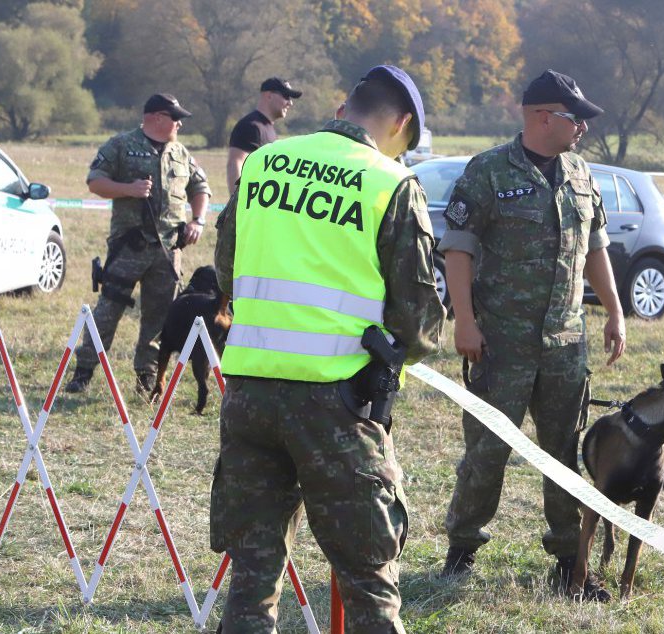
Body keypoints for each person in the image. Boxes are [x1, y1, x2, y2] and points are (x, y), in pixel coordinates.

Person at [210, 65, 446, 633]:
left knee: (251, 579)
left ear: (345, 108)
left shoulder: (265, 161)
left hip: (250, 394)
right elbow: (417, 321)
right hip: (338, 405)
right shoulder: (388, 182)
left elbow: (226, 270)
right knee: (369, 580)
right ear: (402, 125)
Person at [437, 69, 626, 598]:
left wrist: (614, 310)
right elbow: (458, 248)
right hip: (500, 344)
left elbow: (596, 249)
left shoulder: (582, 174)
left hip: (566, 344)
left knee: (563, 453)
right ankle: (462, 548)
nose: (583, 127)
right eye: (576, 118)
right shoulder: (488, 171)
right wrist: (466, 321)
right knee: (487, 451)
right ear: (543, 116)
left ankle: (570, 563)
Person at [65, 93, 211, 394]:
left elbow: (201, 187)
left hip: (168, 249)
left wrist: (198, 220)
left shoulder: (181, 153)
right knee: (108, 310)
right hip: (129, 247)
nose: (180, 123)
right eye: (175, 117)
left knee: (159, 316)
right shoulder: (121, 145)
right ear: (157, 117)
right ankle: (84, 371)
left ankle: (147, 374)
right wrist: (127, 189)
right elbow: (95, 181)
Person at [226, 77, 303, 193]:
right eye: (286, 96)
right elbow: (236, 163)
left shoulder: (268, 128)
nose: (290, 103)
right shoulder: (250, 126)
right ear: (269, 95)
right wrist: (238, 205)